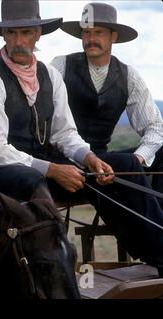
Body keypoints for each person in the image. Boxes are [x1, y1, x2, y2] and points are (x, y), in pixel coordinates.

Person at [0, 0, 163, 276]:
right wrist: (54, 170)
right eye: (11, 33)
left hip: (46, 167)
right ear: (3, 36)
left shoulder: (48, 76)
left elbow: (65, 133)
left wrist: (90, 158)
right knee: (33, 180)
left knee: (124, 165)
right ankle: (54, 271)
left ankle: (158, 253)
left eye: (25, 33)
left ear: (38, 34)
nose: (18, 41)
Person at [51, 2, 163, 206]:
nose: (91, 39)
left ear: (113, 37)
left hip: (104, 159)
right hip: (64, 161)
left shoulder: (128, 76)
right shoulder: (61, 66)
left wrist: (137, 159)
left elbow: (155, 127)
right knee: (126, 163)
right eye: (86, 33)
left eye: (98, 32)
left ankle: (158, 217)